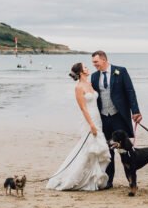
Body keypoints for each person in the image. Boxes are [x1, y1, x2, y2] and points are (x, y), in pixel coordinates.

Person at [46, 62, 110, 191]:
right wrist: (91, 124)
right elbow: (83, 108)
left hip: (97, 118)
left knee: (96, 147)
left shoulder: (89, 83)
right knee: (88, 147)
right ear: (81, 72)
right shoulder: (79, 87)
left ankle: (93, 179)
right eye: (85, 67)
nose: (87, 68)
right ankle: (76, 178)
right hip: (89, 119)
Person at [91, 50, 142, 190]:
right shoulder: (94, 77)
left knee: (125, 148)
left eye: (95, 62)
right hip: (104, 117)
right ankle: (109, 181)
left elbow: (130, 91)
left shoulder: (121, 71)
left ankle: (131, 180)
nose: (94, 65)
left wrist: (136, 111)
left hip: (119, 116)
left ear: (103, 59)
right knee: (108, 149)